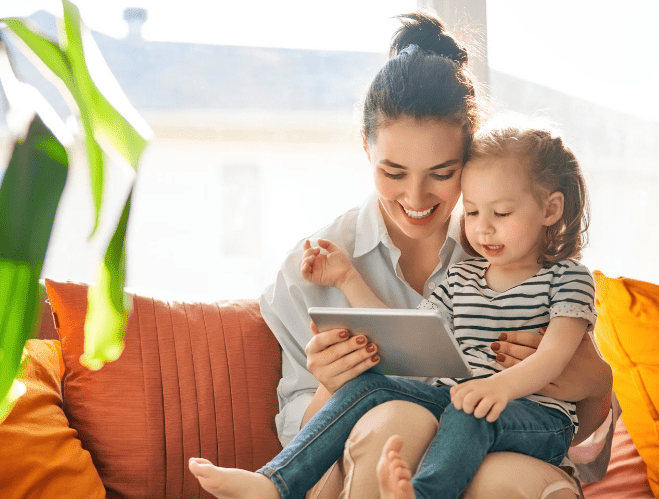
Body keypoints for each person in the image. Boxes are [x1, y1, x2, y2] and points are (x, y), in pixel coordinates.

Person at [189, 10, 614, 499]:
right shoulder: (311, 269)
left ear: (471, 160)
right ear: (366, 149)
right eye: (394, 172)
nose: (416, 198)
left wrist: (596, 386)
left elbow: (589, 453)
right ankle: (274, 484)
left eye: (441, 173)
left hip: (508, 445)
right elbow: (305, 425)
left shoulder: (517, 252)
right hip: (369, 458)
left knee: (499, 472)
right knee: (398, 418)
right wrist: (331, 383)